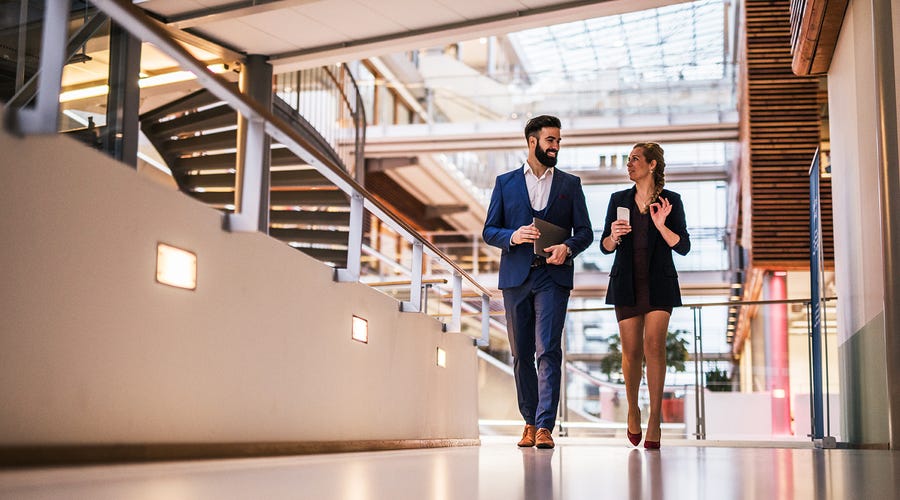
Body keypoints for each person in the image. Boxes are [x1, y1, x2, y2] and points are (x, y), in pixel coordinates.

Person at [483, 115, 593, 449]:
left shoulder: (569, 185)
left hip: (552, 277)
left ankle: (545, 426)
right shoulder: (505, 183)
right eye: (551, 140)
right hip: (516, 278)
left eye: (558, 141)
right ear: (533, 142)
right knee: (521, 355)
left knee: (548, 350)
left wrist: (568, 247)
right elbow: (489, 230)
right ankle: (528, 423)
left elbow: (585, 232)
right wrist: (513, 236)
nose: (556, 146)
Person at [600, 142, 690, 450]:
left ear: (651, 165)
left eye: (635, 159)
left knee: (655, 346)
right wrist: (613, 235)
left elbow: (683, 246)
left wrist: (661, 225)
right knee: (631, 352)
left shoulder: (671, 201)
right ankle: (633, 409)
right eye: (628, 160)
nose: (629, 165)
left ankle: (655, 417)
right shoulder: (618, 200)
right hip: (626, 282)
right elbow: (605, 246)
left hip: (659, 284)